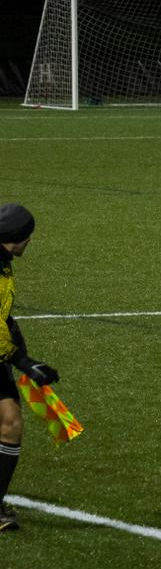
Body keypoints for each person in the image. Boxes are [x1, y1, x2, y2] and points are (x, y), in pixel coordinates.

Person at [0, 204, 60, 532]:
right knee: (9, 424)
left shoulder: (3, 263)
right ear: (15, 238)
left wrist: (18, 341)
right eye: (28, 236)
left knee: (10, 424)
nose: (30, 241)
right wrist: (25, 362)